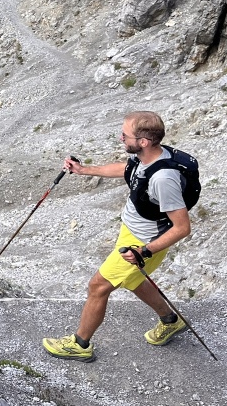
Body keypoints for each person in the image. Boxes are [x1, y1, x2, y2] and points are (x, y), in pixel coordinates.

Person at [42, 111, 192, 362]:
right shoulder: (147, 158)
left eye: (125, 134)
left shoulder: (164, 179)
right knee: (132, 281)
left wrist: (144, 252)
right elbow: (127, 169)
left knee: (98, 286)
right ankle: (171, 321)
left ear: (143, 141)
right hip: (131, 232)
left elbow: (182, 227)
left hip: (143, 242)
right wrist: (84, 170)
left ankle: (80, 344)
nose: (120, 137)